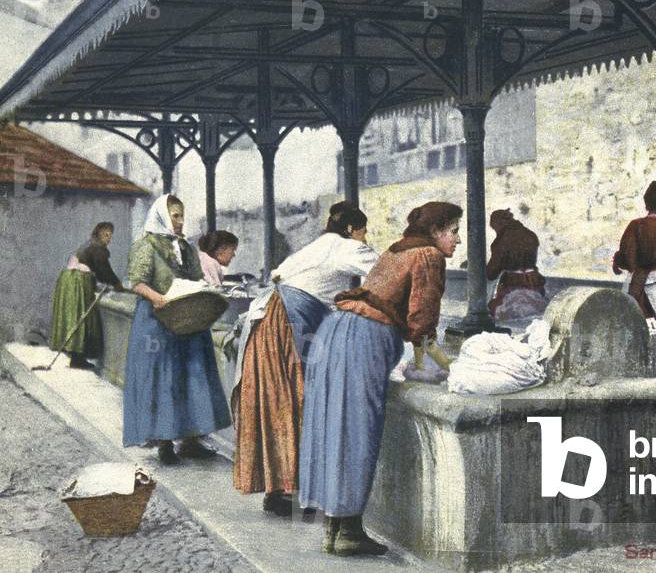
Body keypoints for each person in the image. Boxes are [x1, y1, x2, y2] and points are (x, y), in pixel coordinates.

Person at [299, 201, 461, 557]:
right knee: (358, 430)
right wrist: (441, 365)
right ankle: (349, 533)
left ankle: (335, 528)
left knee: (334, 427)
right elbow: (422, 322)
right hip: (365, 337)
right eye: (453, 230)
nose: (458, 239)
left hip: (336, 330)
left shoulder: (396, 248)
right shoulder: (429, 256)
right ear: (435, 232)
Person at [233, 202, 378, 517]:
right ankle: (292, 489)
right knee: (298, 401)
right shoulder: (347, 246)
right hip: (291, 325)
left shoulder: (312, 247)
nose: (365, 238)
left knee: (274, 404)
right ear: (353, 229)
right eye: (364, 231)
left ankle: (277, 489)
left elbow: (278, 275)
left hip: (267, 322)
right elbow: (384, 273)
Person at [122, 195, 232, 465]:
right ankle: (165, 443)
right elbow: (137, 282)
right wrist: (159, 299)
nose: (181, 221)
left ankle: (190, 440)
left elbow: (195, 279)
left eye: (182, 215)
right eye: (175, 216)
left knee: (192, 375)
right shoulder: (146, 245)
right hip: (157, 321)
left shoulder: (186, 246)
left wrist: (202, 291)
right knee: (164, 379)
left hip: (187, 317)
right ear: (161, 215)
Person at [49, 222, 126, 369]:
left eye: (110, 236)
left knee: (74, 317)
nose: (109, 239)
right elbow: (104, 270)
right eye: (106, 235)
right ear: (98, 234)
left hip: (68, 279)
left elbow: (94, 268)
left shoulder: (89, 245)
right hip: (77, 281)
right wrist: (117, 284)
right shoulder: (97, 248)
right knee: (81, 317)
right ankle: (77, 359)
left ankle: (76, 358)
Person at [612, 181, 656, 322]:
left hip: (640, 285)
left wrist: (619, 261)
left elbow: (628, 256)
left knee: (639, 323)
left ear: (647, 202)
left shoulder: (636, 225)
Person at [486, 208, 546, 319]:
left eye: (494, 228)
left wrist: (485, 271)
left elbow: (492, 271)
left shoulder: (502, 240)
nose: (496, 231)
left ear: (498, 224)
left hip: (513, 284)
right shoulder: (530, 235)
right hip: (533, 281)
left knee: (498, 310)